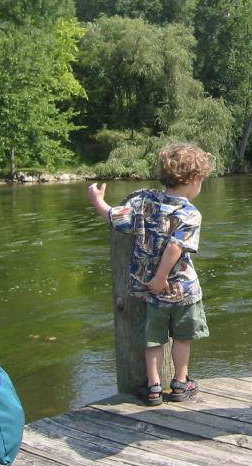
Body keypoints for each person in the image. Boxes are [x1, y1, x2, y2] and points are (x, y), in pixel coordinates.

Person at [88, 142, 215, 406]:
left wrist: (97, 200)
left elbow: (114, 218)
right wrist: (161, 277)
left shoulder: (144, 201)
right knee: (182, 337)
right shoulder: (190, 213)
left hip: (151, 291)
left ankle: (154, 387)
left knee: (153, 339)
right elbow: (175, 246)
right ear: (194, 179)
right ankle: (180, 383)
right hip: (182, 289)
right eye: (202, 181)